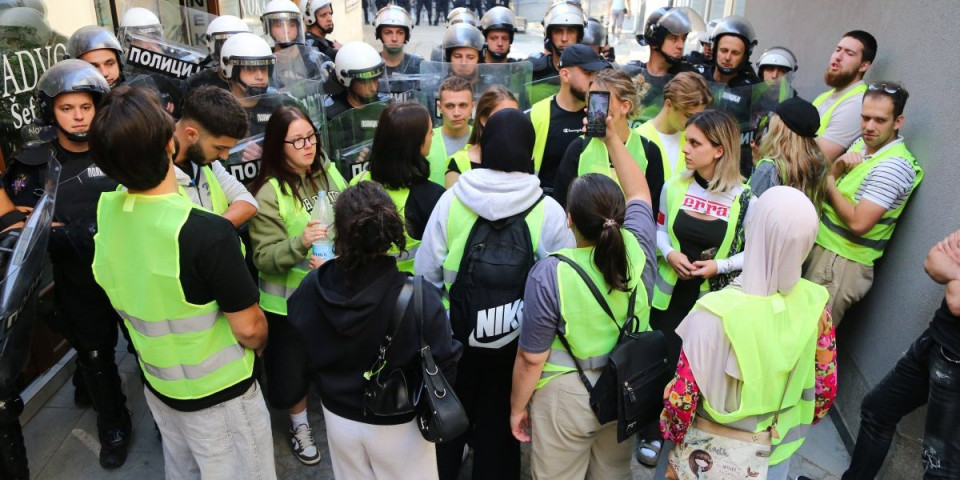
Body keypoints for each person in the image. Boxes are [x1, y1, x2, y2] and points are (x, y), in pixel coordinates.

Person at [88, 85, 273, 479]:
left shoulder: (109, 213)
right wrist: (261, 344)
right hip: (223, 397)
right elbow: (250, 329)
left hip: (161, 388)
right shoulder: (203, 232)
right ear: (169, 146)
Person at [415, 109, 574, 480]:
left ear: (483, 150)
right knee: (500, 437)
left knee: (446, 430)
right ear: (529, 152)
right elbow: (561, 284)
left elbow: (425, 275)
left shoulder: (452, 200)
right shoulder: (547, 210)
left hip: (455, 344)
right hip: (515, 351)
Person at [510, 110, 658, 480]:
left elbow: (531, 358)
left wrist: (517, 407)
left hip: (566, 397)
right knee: (612, 472)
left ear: (570, 219)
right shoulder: (640, 245)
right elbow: (639, 191)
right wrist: (613, 139)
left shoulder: (550, 273)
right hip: (625, 386)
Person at [4, 60, 132, 470]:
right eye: (66, 108)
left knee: (145, 345)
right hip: (77, 278)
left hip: (130, 270)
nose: (78, 116)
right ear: (50, 111)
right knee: (95, 354)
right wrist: (66, 230)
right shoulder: (35, 164)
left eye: (85, 107)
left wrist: (66, 225)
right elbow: (23, 226)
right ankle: (114, 424)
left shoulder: (120, 148)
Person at [660, 186, 838, 480]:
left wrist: (672, 433)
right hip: (775, 456)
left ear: (754, 231)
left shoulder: (713, 312)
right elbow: (824, 391)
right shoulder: (817, 307)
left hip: (708, 458)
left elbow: (683, 399)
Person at [287, 181, 461, 480]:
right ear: (389, 230)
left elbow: (299, 340)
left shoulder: (312, 286)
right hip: (400, 423)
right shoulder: (419, 297)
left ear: (338, 232)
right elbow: (445, 360)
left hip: (337, 417)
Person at [643, 109, 751, 467]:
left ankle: (684, 436)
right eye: (686, 141)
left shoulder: (745, 199)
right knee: (662, 365)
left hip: (709, 303)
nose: (685, 149)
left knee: (694, 372)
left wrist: (719, 266)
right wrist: (669, 253)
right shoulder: (674, 185)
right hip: (668, 298)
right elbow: (658, 229)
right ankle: (652, 432)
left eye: (694, 143)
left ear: (719, 150)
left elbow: (755, 252)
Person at [247, 106, 347, 466]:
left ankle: (341, 422)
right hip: (288, 306)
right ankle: (300, 424)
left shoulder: (329, 171)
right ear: (278, 145)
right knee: (291, 373)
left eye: (311, 137)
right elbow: (263, 257)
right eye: (298, 141)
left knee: (333, 363)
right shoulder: (268, 192)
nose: (308, 146)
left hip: (332, 295)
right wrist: (300, 243)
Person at [841, 229, 960, 479]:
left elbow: (956, 302)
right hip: (933, 340)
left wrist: (953, 271)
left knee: (939, 466)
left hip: (955, 362)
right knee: (877, 410)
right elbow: (933, 261)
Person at [803, 82, 923, 325]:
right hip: (825, 250)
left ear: (898, 122)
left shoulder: (894, 166)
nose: (869, 126)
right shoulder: (864, 145)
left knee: (810, 338)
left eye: (880, 120)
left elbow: (859, 223)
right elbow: (832, 180)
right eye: (865, 117)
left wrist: (829, 180)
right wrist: (836, 169)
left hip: (839, 263)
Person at [351, 102, 446, 273]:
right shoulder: (432, 197)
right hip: (412, 288)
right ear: (415, 143)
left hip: (363, 286)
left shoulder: (356, 184)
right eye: (430, 131)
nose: (433, 135)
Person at [555, 68, 665, 212]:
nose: (595, 107)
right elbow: (562, 204)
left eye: (603, 100)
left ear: (625, 106)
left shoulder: (649, 151)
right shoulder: (578, 148)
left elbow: (652, 210)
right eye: (591, 99)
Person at [530, 44, 608, 196]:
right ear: (565, 75)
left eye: (596, 74)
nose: (594, 80)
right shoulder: (538, 113)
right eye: (588, 73)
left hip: (590, 203)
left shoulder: (599, 108)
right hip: (547, 202)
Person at [173, 86, 258, 226]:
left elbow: (248, 202)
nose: (224, 156)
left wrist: (214, 231)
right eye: (220, 147)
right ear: (191, 134)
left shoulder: (206, 162)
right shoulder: (153, 175)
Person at [625, 7, 702, 122]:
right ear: (655, 42)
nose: (681, 46)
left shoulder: (689, 77)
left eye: (683, 39)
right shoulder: (631, 73)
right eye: (674, 39)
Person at [634, 72, 712, 181]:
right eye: (688, 115)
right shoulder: (638, 138)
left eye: (698, 116)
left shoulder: (698, 138)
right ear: (669, 104)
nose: (694, 122)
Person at [749, 97, 827, 208]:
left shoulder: (769, 169)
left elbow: (747, 209)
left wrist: (760, 170)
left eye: (774, 116)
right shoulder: (818, 164)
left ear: (779, 128)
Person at [813, 30, 877, 162]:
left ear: (863, 66)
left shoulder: (858, 102)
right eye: (837, 50)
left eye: (849, 53)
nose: (838, 56)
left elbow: (818, 158)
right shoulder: (824, 97)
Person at [445, 85, 519, 187]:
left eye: (516, 116)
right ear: (484, 120)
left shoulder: (524, 157)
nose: (510, 122)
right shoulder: (459, 162)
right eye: (502, 116)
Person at [425, 76, 474, 186]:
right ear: (440, 107)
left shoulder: (483, 139)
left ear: (472, 106)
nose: (456, 113)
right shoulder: (425, 140)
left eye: (463, 105)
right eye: (450, 106)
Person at [187, 15, 250, 92]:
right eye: (225, 42)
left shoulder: (256, 78)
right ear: (214, 47)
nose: (233, 48)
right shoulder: (199, 82)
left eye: (238, 43)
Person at [326, 41, 387, 119]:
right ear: (345, 79)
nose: (373, 88)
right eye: (365, 82)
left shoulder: (383, 108)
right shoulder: (334, 116)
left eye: (376, 79)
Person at [530, 1, 585, 81]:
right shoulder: (533, 70)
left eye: (571, 31)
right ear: (549, 34)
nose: (564, 39)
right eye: (558, 31)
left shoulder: (590, 73)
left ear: (579, 35)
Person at [375, 5, 422, 98]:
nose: (394, 39)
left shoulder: (417, 64)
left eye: (400, 33)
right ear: (379, 34)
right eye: (388, 32)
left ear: (406, 35)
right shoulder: (371, 63)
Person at [701, 15, 759, 87]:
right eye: (724, 51)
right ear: (715, 50)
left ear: (744, 56)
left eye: (735, 53)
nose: (727, 58)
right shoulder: (698, 78)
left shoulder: (753, 87)